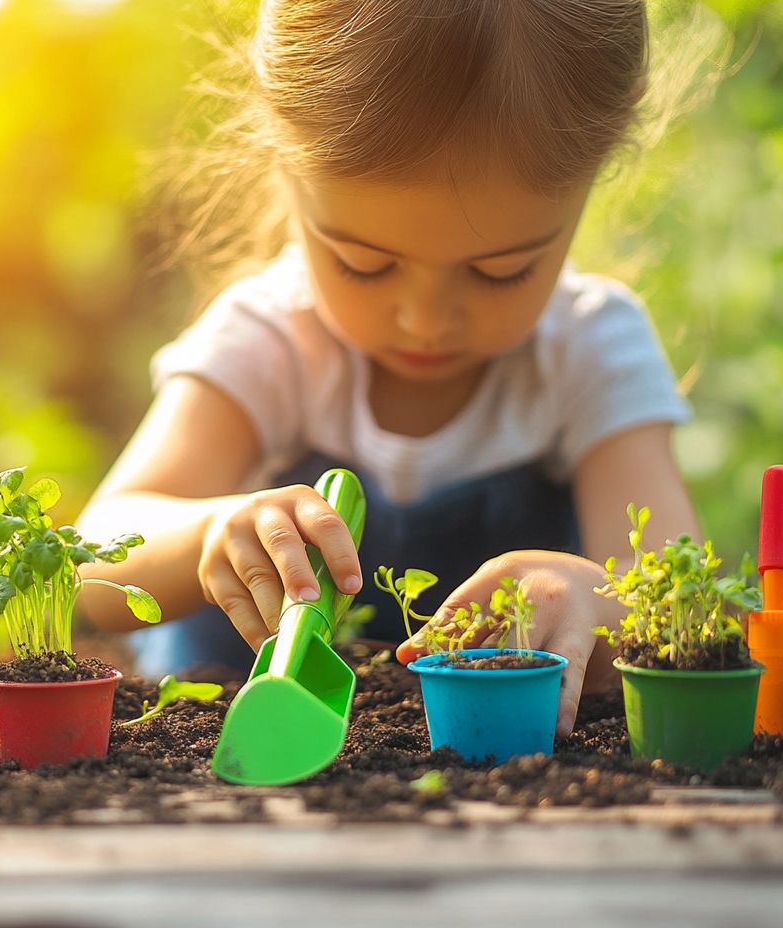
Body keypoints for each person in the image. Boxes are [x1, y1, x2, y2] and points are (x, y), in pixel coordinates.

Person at [77, 0, 700, 736]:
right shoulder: (271, 340)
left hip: (492, 768)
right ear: (285, 164)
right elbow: (95, 568)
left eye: (501, 272)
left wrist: (597, 593)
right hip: (231, 757)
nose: (426, 320)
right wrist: (213, 531)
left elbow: (681, 602)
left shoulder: (589, 350)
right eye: (364, 264)